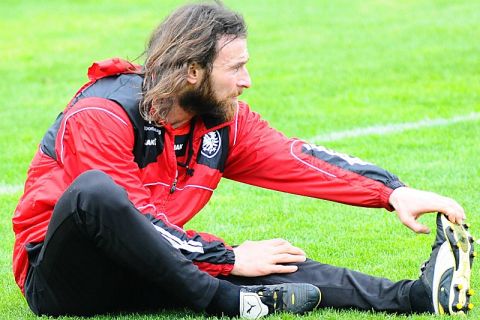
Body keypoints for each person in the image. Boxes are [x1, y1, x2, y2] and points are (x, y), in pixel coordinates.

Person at [12, 2, 475, 318]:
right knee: (98, 193)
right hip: (64, 281)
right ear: (192, 71)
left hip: (153, 264)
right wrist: (228, 258)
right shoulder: (102, 114)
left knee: (278, 262)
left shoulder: (221, 121)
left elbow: (299, 159)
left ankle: (412, 297)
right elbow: (131, 217)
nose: (247, 80)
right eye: (235, 68)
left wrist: (393, 192)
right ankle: (229, 303)